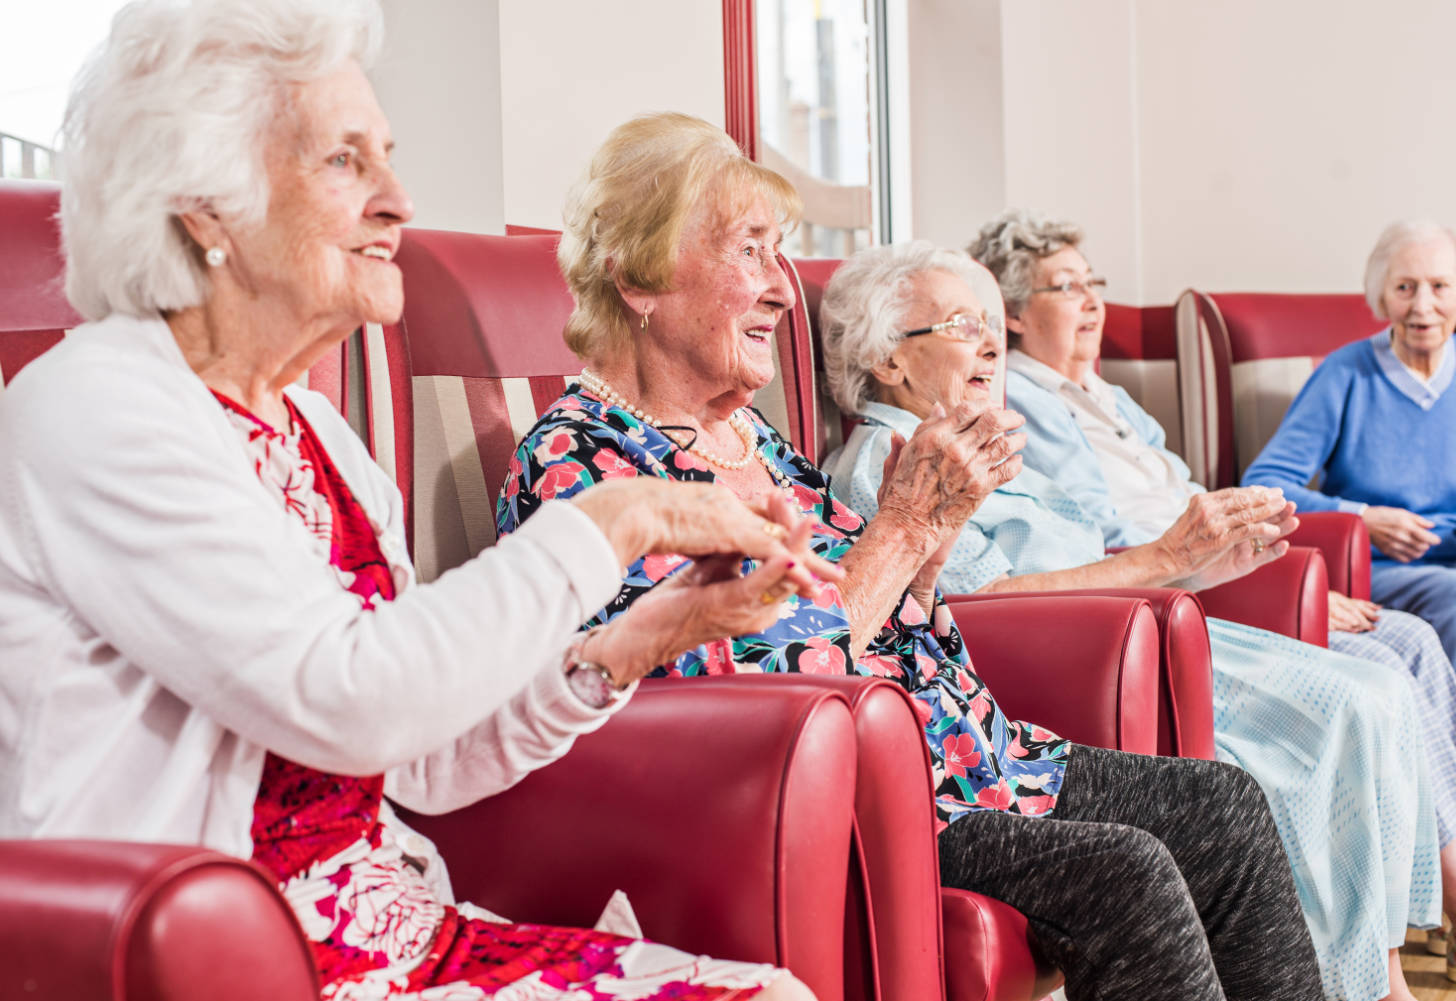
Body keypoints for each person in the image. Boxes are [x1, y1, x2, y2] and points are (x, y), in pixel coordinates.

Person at [0, 3, 838, 999]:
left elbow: (422, 758)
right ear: (204, 206)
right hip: (217, 960)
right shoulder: (96, 404)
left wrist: (644, 634)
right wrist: (620, 519)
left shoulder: (321, 438)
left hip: (389, 933)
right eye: (345, 162)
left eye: (386, 157)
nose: (398, 198)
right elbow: (350, 695)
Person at [498, 111, 1323, 1001]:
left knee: (1226, 805)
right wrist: (897, 529)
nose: (781, 290)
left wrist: (930, 540)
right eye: (749, 252)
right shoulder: (585, 460)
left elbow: (881, 608)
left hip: (972, 755)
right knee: (1125, 870)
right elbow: (735, 674)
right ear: (637, 276)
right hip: (857, 796)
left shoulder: (751, 440)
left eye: (781, 254)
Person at [818, 239, 1446, 1001]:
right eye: (958, 324)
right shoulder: (886, 466)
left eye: (988, 322)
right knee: (1332, 717)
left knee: (1344, 710)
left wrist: (1194, 565)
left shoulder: (973, 444)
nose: (989, 341)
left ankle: (1371, 978)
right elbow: (971, 610)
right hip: (1063, 675)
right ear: (888, 359)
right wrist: (1162, 561)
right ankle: (1370, 983)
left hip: (1124, 639)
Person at [970, 210, 1456, 987]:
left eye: (1094, 284)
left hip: (1211, 562)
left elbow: (1190, 491)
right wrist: (1307, 543)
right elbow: (1100, 531)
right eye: (1064, 287)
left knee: (1410, 644)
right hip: (1162, 585)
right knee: (1419, 637)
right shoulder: (1024, 405)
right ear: (1013, 314)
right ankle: (1455, 917)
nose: (1090, 302)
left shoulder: (1110, 398)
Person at [1238, 220, 1456, 748]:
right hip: (1373, 568)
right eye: (1405, 288)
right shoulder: (1345, 373)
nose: (1423, 305)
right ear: (1381, 297)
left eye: (1440, 287)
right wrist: (1363, 518)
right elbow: (1263, 484)